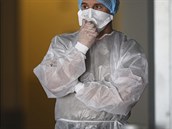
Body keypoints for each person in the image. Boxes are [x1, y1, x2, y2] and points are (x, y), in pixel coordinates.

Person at [33, 0, 148, 129]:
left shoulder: (127, 48)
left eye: (98, 6)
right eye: (85, 6)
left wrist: (76, 86)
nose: (90, 12)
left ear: (112, 9)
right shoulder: (62, 43)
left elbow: (122, 100)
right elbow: (52, 83)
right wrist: (81, 47)